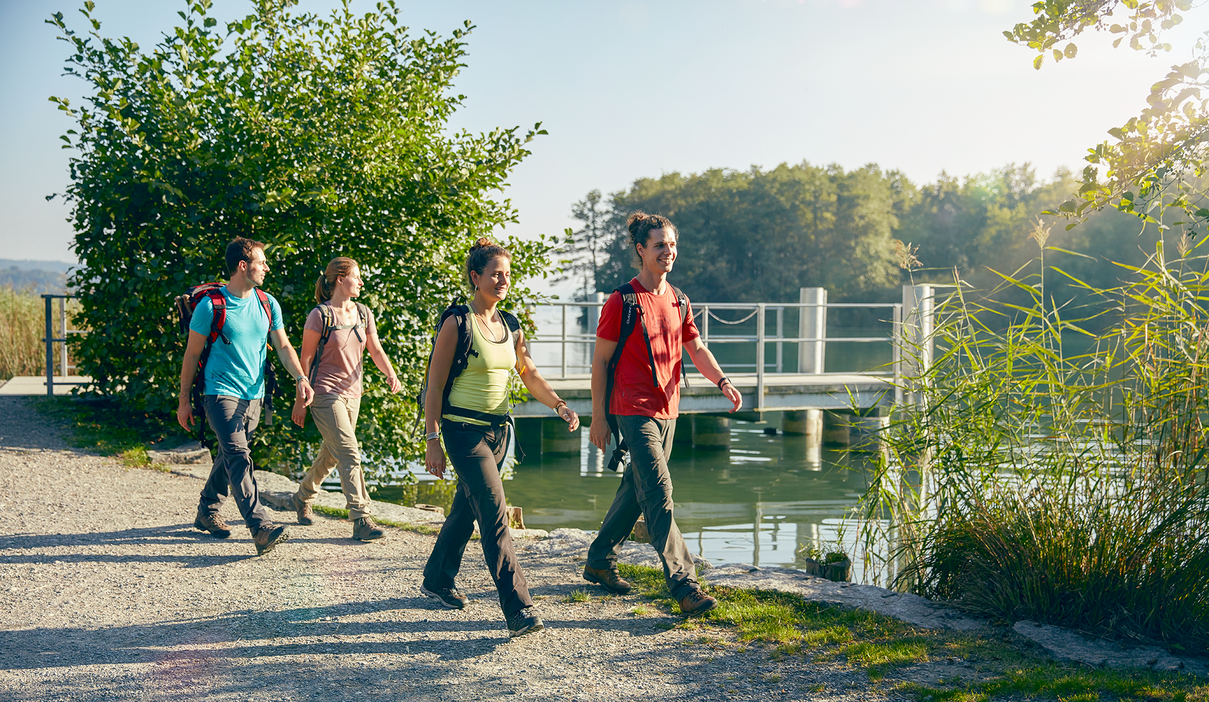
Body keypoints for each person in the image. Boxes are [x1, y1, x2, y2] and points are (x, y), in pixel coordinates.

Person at [583, 212, 742, 615]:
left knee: (635, 492)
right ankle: (685, 584)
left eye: (672, 245)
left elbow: (697, 348)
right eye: (659, 245)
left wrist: (722, 381)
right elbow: (600, 362)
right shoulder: (622, 301)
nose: (668, 252)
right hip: (631, 410)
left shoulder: (679, 299)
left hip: (669, 409)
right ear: (641, 250)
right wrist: (599, 417)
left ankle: (599, 560)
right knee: (658, 491)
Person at [420, 238, 580, 638]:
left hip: (497, 432)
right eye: (495, 273)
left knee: (467, 509)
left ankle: (438, 577)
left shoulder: (510, 324)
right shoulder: (457, 323)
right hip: (461, 430)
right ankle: (518, 609)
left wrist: (559, 405)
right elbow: (434, 386)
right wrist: (432, 438)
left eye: (507, 273)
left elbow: (528, 373)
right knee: (494, 516)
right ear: (476, 278)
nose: (503, 280)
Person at [177, 237, 315, 556]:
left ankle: (207, 509)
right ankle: (260, 526)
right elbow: (191, 354)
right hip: (219, 392)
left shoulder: (267, 303)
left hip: (254, 395)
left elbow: (282, 346)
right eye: (261, 262)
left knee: (230, 455)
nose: (266, 267)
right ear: (243, 266)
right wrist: (184, 400)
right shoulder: (211, 306)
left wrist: (301, 377)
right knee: (239, 455)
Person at [288, 257, 403, 541]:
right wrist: (299, 399)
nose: (361, 282)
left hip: (354, 394)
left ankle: (302, 497)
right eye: (357, 276)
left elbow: (375, 349)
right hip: (324, 393)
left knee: (331, 453)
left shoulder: (363, 313)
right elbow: (306, 358)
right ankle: (361, 517)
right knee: (349, 452)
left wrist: (390, 373)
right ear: (340, 279)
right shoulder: (320, 315)